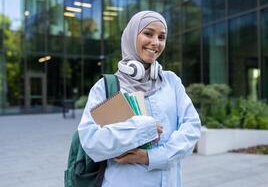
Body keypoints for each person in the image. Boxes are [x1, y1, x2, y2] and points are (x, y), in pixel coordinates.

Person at [77, 11, 201, 187]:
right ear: (131, 36)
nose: (155, 42)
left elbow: (192, 128)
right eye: (148, 33)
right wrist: (143, 128)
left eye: (161, 37)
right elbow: (92, 142)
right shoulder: (106, 87)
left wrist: (150, 157)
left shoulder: (171, 81)